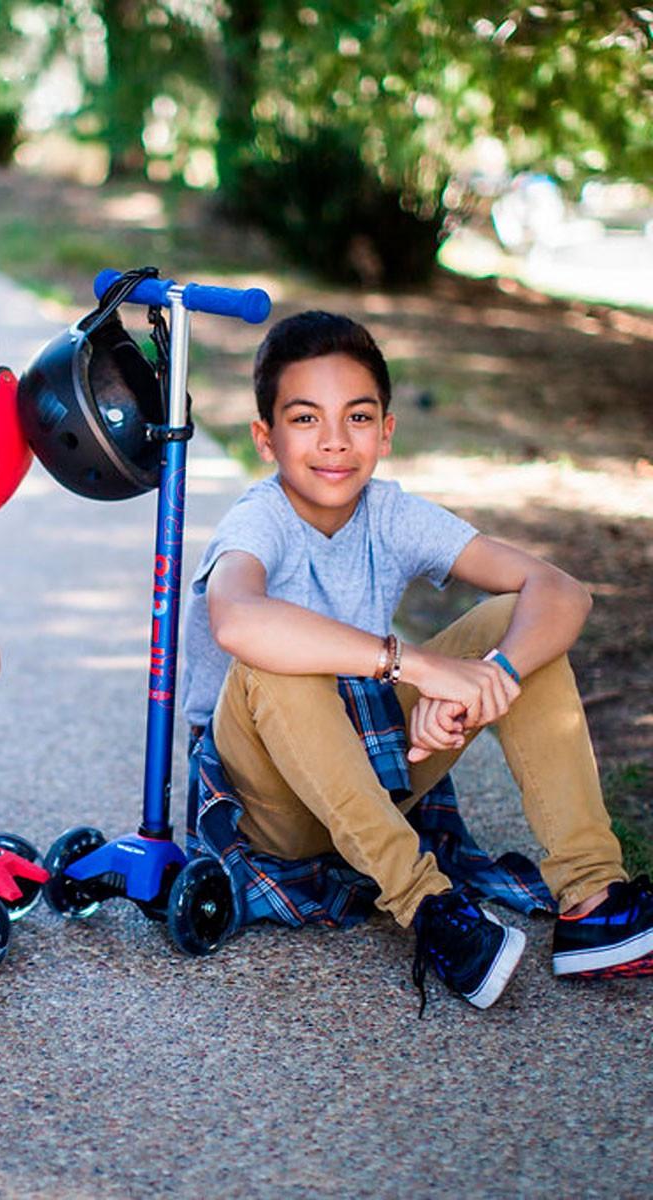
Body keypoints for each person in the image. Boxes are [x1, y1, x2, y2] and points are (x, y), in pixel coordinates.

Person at [180, 310, 652, 1011]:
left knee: (513, 623)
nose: (335, 442)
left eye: (359, 418)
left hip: (374, 764)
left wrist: (491, 681)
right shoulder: (260, 520)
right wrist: (421, 669)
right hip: (269, 802)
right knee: (269, 658)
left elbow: (561, 590)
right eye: (305, 419)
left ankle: (592, 900)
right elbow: (238, 619)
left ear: (386, 431)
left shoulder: (392, 514)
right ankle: (430, 909)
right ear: (265, 438)